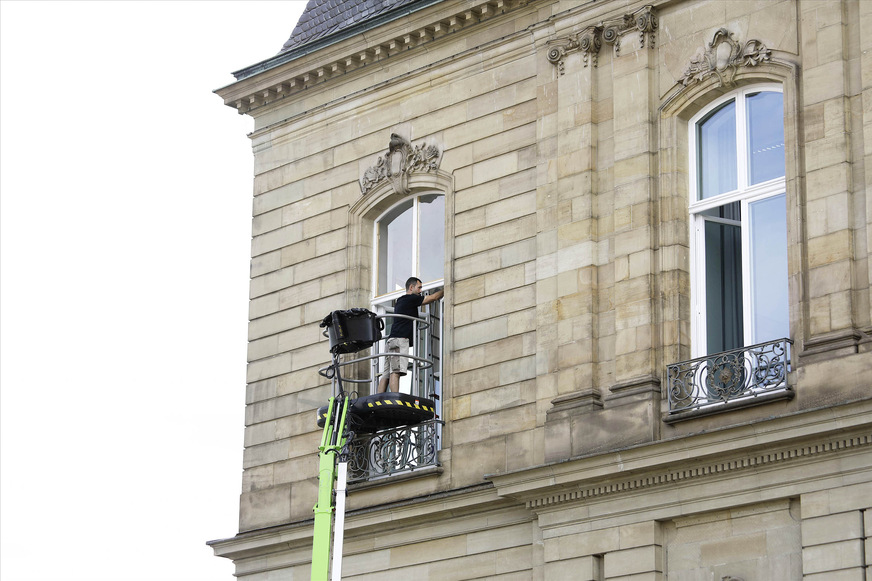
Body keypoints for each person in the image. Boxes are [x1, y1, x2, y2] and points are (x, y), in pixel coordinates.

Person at [378, 277, 444, 393]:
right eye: (419, 288)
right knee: (396, 371)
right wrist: (446, 287)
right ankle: (395, 398)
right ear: (411, 287)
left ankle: (378, 397)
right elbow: (433, 297)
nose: (420, 291)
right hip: (400, 340)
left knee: (386, 374)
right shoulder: (410, 298)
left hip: (391, 340)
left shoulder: (400, 300)